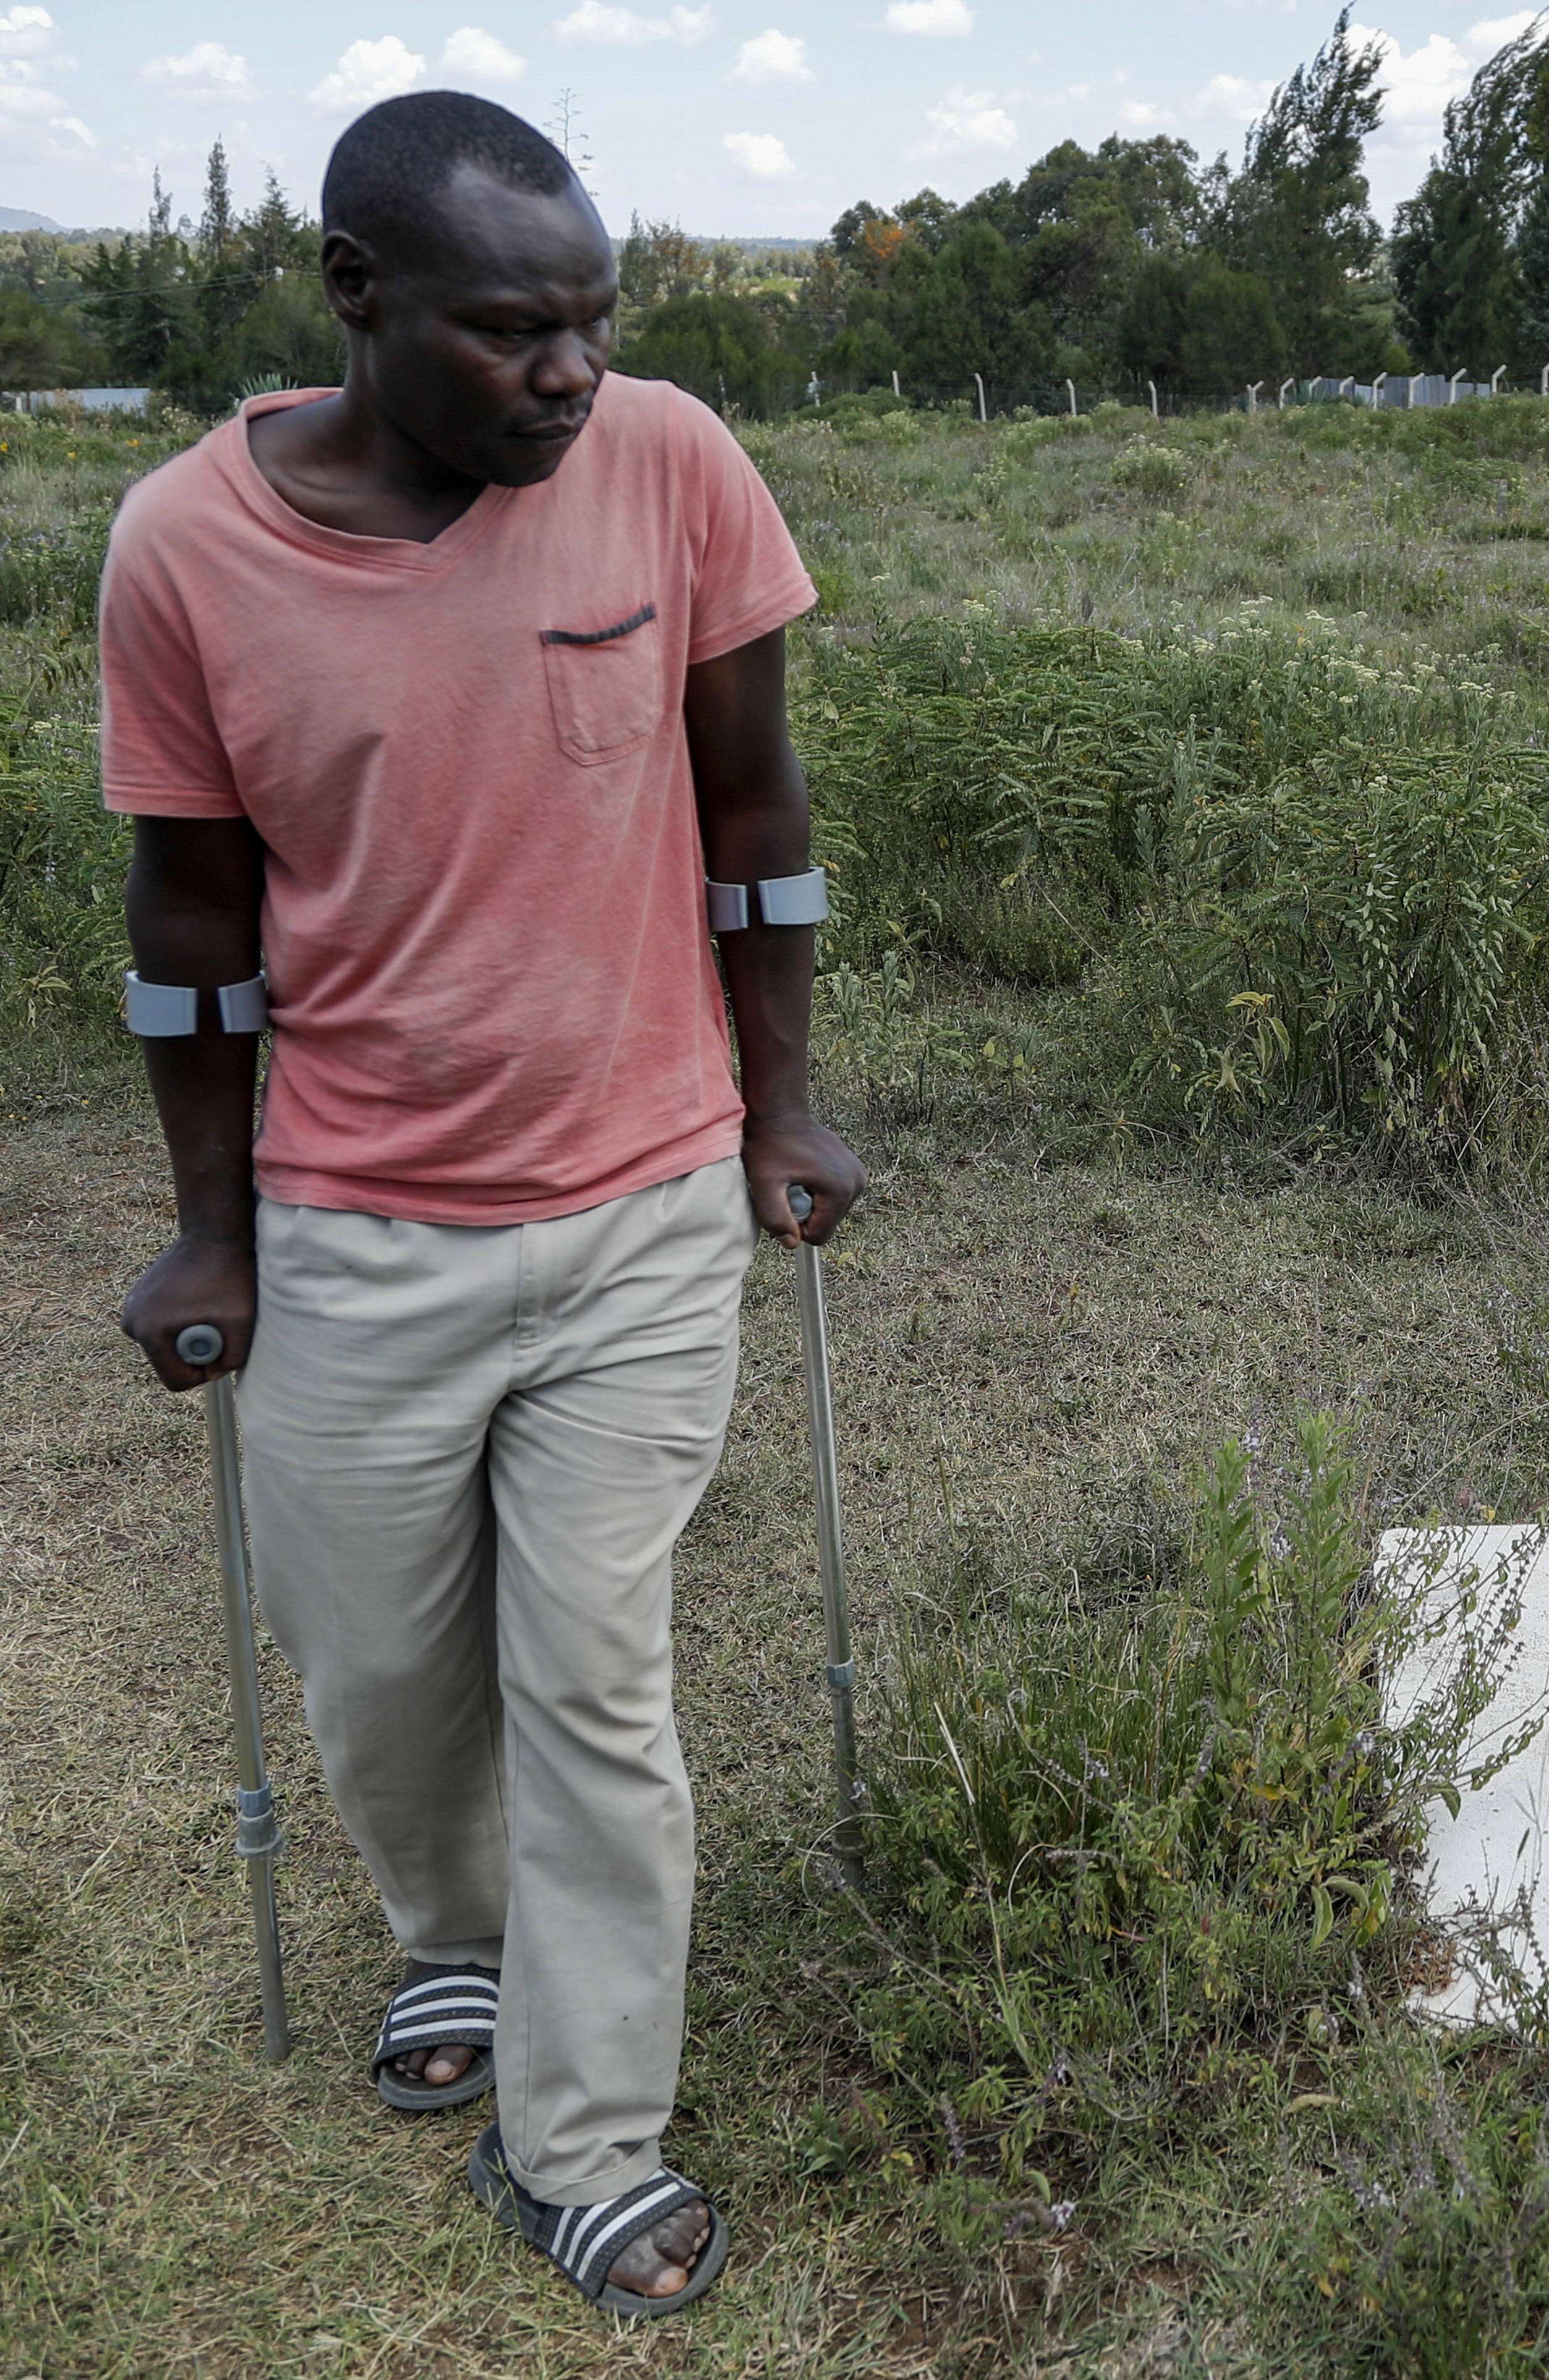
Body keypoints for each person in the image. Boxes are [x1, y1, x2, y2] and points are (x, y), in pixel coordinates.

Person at [103, 90, 859, 2319]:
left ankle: (583, 2133)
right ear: (358, 294)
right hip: (359, 1220)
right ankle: (451, 1931)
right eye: (518, 330)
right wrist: (213, 1228)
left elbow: (756, 811)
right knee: (383, 1677)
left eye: (595, 322)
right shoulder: (183, 548)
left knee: (594, 1680)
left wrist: (784, 1106)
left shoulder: (672, 464)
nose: (573, 374)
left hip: (642, 1200)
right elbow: (191, 923)